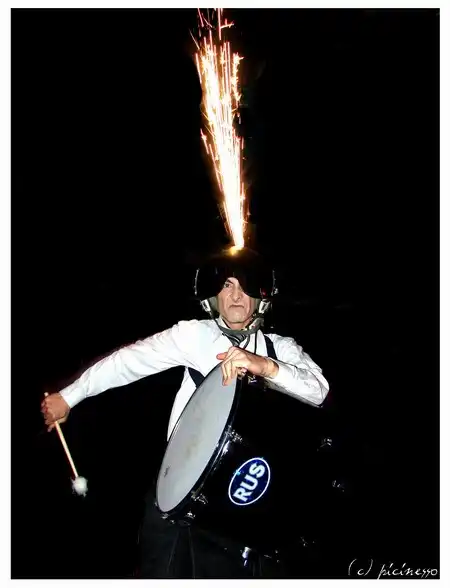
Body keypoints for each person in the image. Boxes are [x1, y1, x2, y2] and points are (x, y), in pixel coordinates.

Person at [41, 247, 330, 578]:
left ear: (261, 297)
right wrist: (69, 396)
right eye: (227, 285)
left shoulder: (281, 348)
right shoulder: (194, 335)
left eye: (245, 286)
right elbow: (127, 362)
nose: (236, 296)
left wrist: (264, 366)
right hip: (177, 495)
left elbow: (318, 391)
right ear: (213, 297)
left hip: (243, 502)